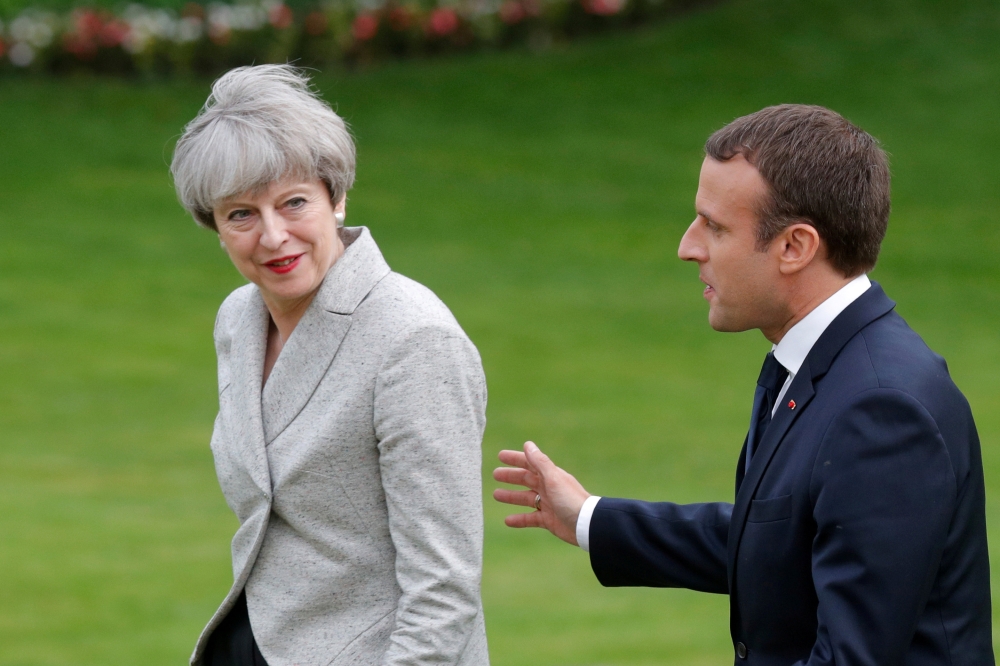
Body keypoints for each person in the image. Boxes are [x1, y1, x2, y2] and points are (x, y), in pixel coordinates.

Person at [493, 104, 993, 664]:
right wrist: (589, 516)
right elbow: (782, 538)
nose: (688, 247)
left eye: (715, 226)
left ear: (794, 247)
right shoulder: (818, 362)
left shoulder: (882, 408)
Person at [170, 65, 489, 666]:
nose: (273, 237)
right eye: (241, 214)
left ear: (337, 198)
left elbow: (443, 589)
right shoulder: (239, 318)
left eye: (294, 203)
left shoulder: (412, 339)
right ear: (214, 226)